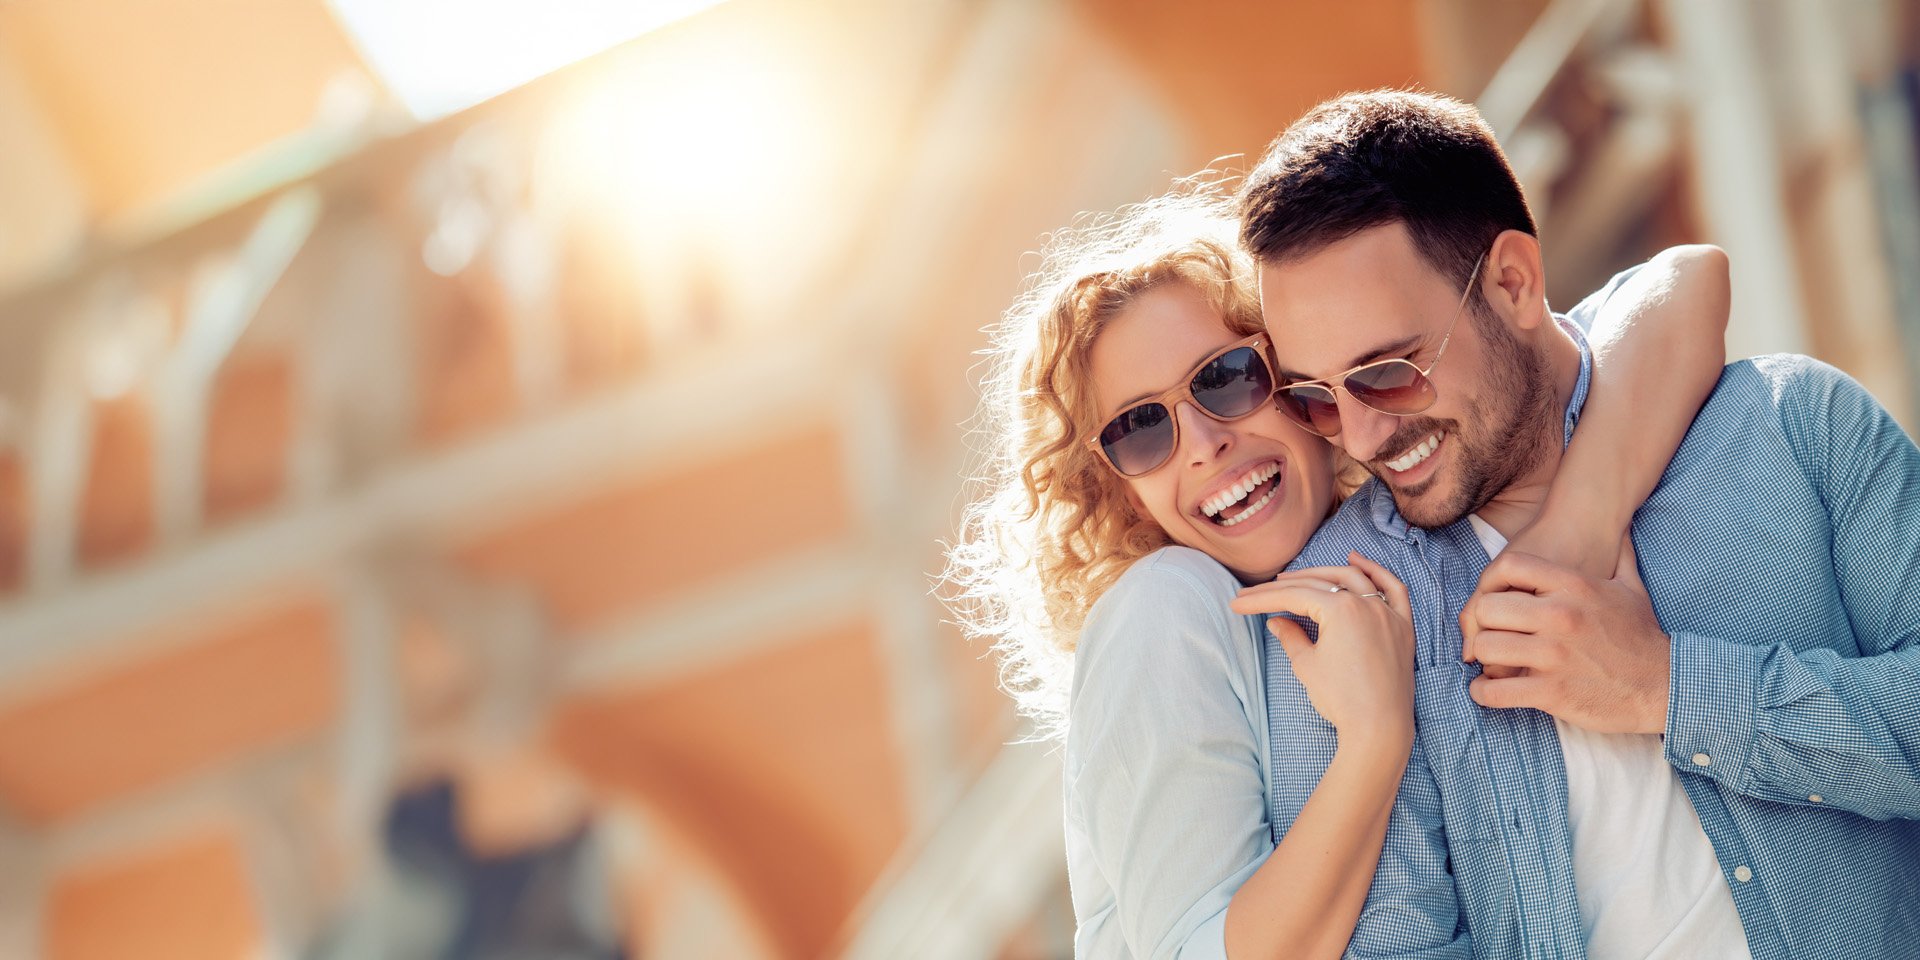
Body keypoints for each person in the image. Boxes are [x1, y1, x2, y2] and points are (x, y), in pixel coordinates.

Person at [944, 181, 1731, 957]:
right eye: (1140, 429)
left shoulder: (1393, 543)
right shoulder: (1168, 605)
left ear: (1295, 376)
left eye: (1224, 379)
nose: (1201, 443)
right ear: (1115, 486)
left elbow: (1682, 284)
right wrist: (1374, 739)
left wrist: (1572, 535)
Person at [1235, 88, 1920, 959]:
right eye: (1315, 398)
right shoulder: (1343, 610)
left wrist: (1667, 689)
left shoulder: (1791, 426)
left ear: (1514, 283)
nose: (1363, 437)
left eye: (1387, 372)